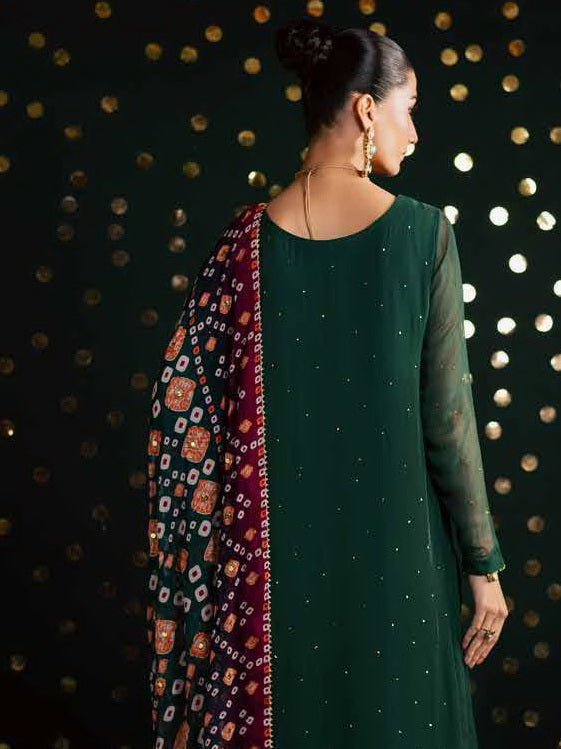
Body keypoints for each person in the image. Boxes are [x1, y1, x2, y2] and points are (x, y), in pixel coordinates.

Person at [145, 17, 509, 749]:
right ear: (367, 110)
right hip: (400, 571)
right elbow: (447, 421)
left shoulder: (239, 248)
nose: (416, 134)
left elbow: (183, 425)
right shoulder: (423, 234)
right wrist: (484, 566)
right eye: (409, 108)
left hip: (269, 590)